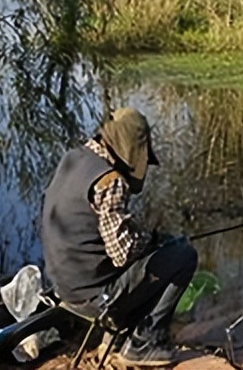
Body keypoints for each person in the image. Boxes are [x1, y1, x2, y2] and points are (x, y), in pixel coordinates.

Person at [40, 107, 197, 367]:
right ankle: (144, 342)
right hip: (92, 297)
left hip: (61, 286)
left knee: (158, 253)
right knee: (183, 255)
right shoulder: (110, 180)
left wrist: (146, 240)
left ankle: (123, 328)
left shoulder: (74, 158)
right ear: (132, 144)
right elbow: (121, 253)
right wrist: (151, 239)